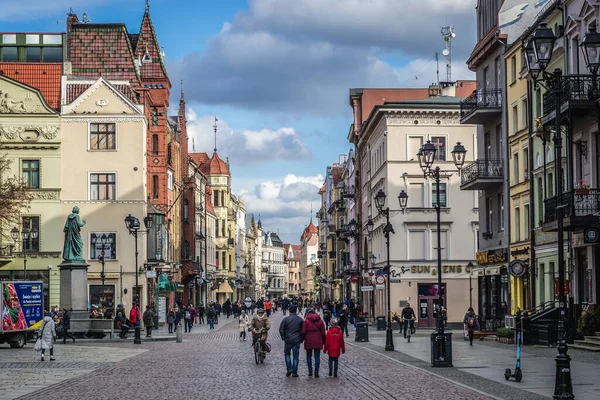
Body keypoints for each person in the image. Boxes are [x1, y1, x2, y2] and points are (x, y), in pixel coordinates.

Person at [279, 304, 303, 377]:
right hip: (296, 340)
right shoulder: (300, 319)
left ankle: (289, 368)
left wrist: (283, 337)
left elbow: (281, 329)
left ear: (289, 311)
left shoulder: (286, 319)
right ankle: (294, 372)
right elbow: (303, 330)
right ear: (296, 311)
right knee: (295, 356)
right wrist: (301, 339)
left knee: (287, 354)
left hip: (288, 340)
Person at [302, 308, 326, 378]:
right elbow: (323, 333)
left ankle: (310, 372)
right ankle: (316, 372)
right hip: (318, 340)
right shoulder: (320, 321)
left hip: (309, 340)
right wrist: (324, 340)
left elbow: (303, 331)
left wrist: (303, 338)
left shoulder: (306, 321)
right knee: (317, 357)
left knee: (309, 356)